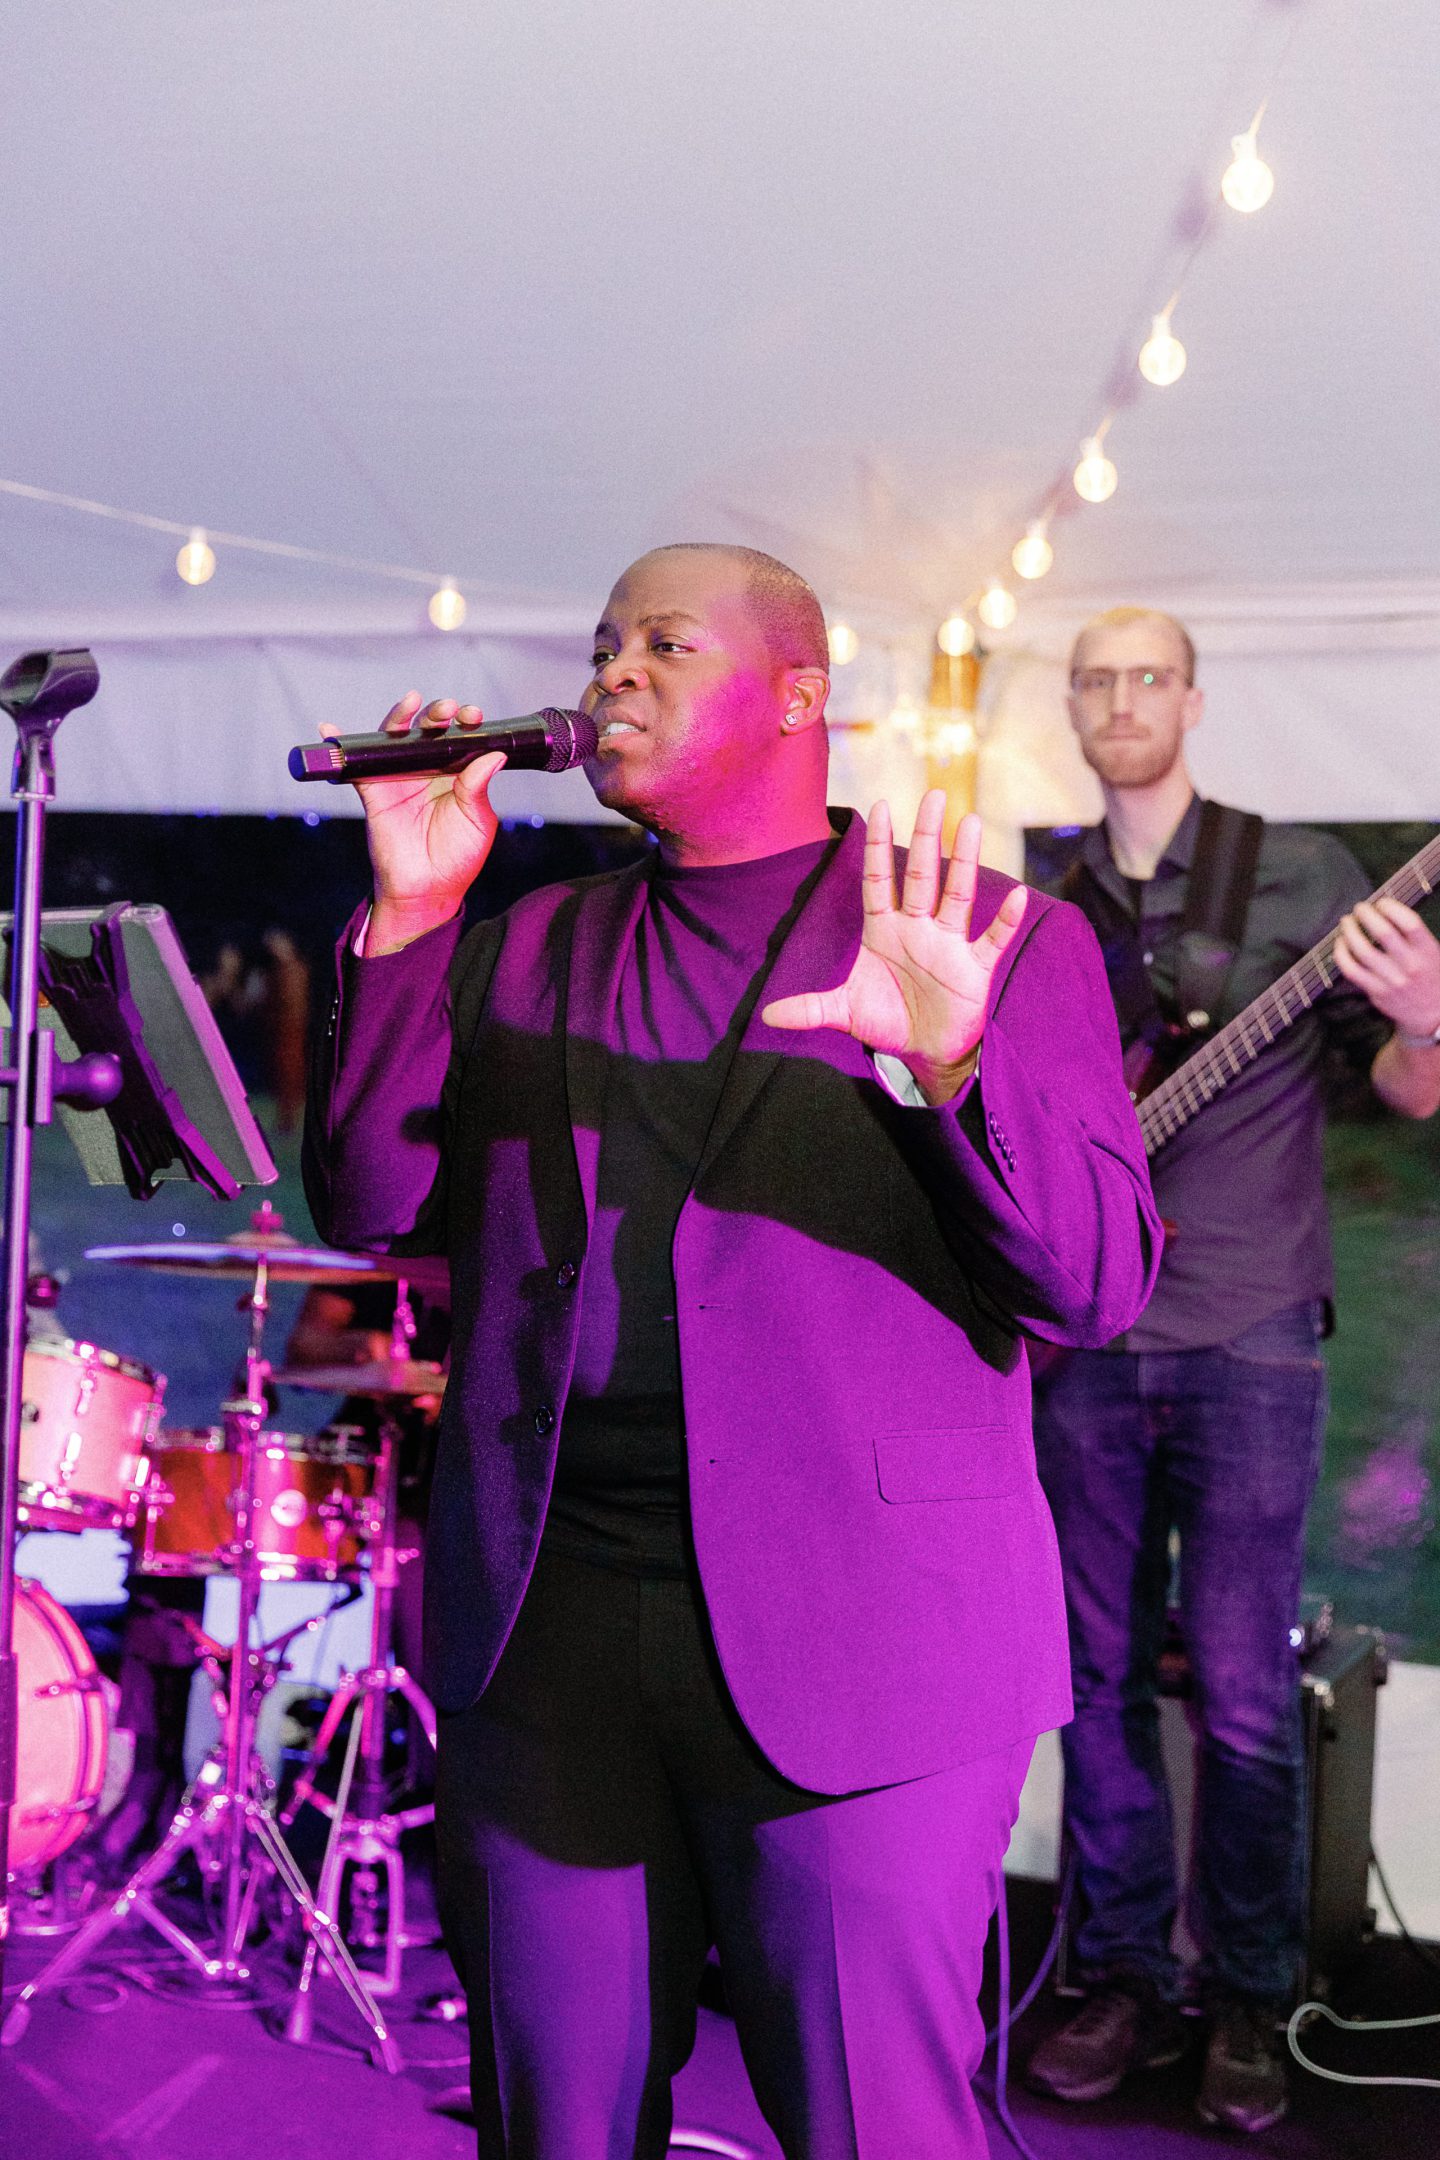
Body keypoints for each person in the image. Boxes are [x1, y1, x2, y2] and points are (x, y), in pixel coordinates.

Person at [303, 543, 1162, 2160]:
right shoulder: (521, 946)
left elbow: (1098, 1283)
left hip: (867, 1641)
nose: (615, 671)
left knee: (875, 2126)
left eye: (666, 644)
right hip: (549, 1628)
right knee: (553, 2125)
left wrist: (955, 1064)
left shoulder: (991, 937)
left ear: (798, 695)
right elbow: (369, 1197)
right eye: (606, 641)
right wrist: (416, 912)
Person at [1025, 607, 1440, 2134]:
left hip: (1255, 1330)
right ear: (1069, 706)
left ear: (1192, 700)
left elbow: (1403, 1094)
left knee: (1252, 1692)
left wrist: (1427, 1020)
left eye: (1147, 676)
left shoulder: (1303, 875)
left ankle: (1249, 1998)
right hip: (1084, 1337)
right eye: (1096, 678)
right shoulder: (1042, 899)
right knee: (1091, 1680)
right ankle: (1122, 1972)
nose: (1121, 699)